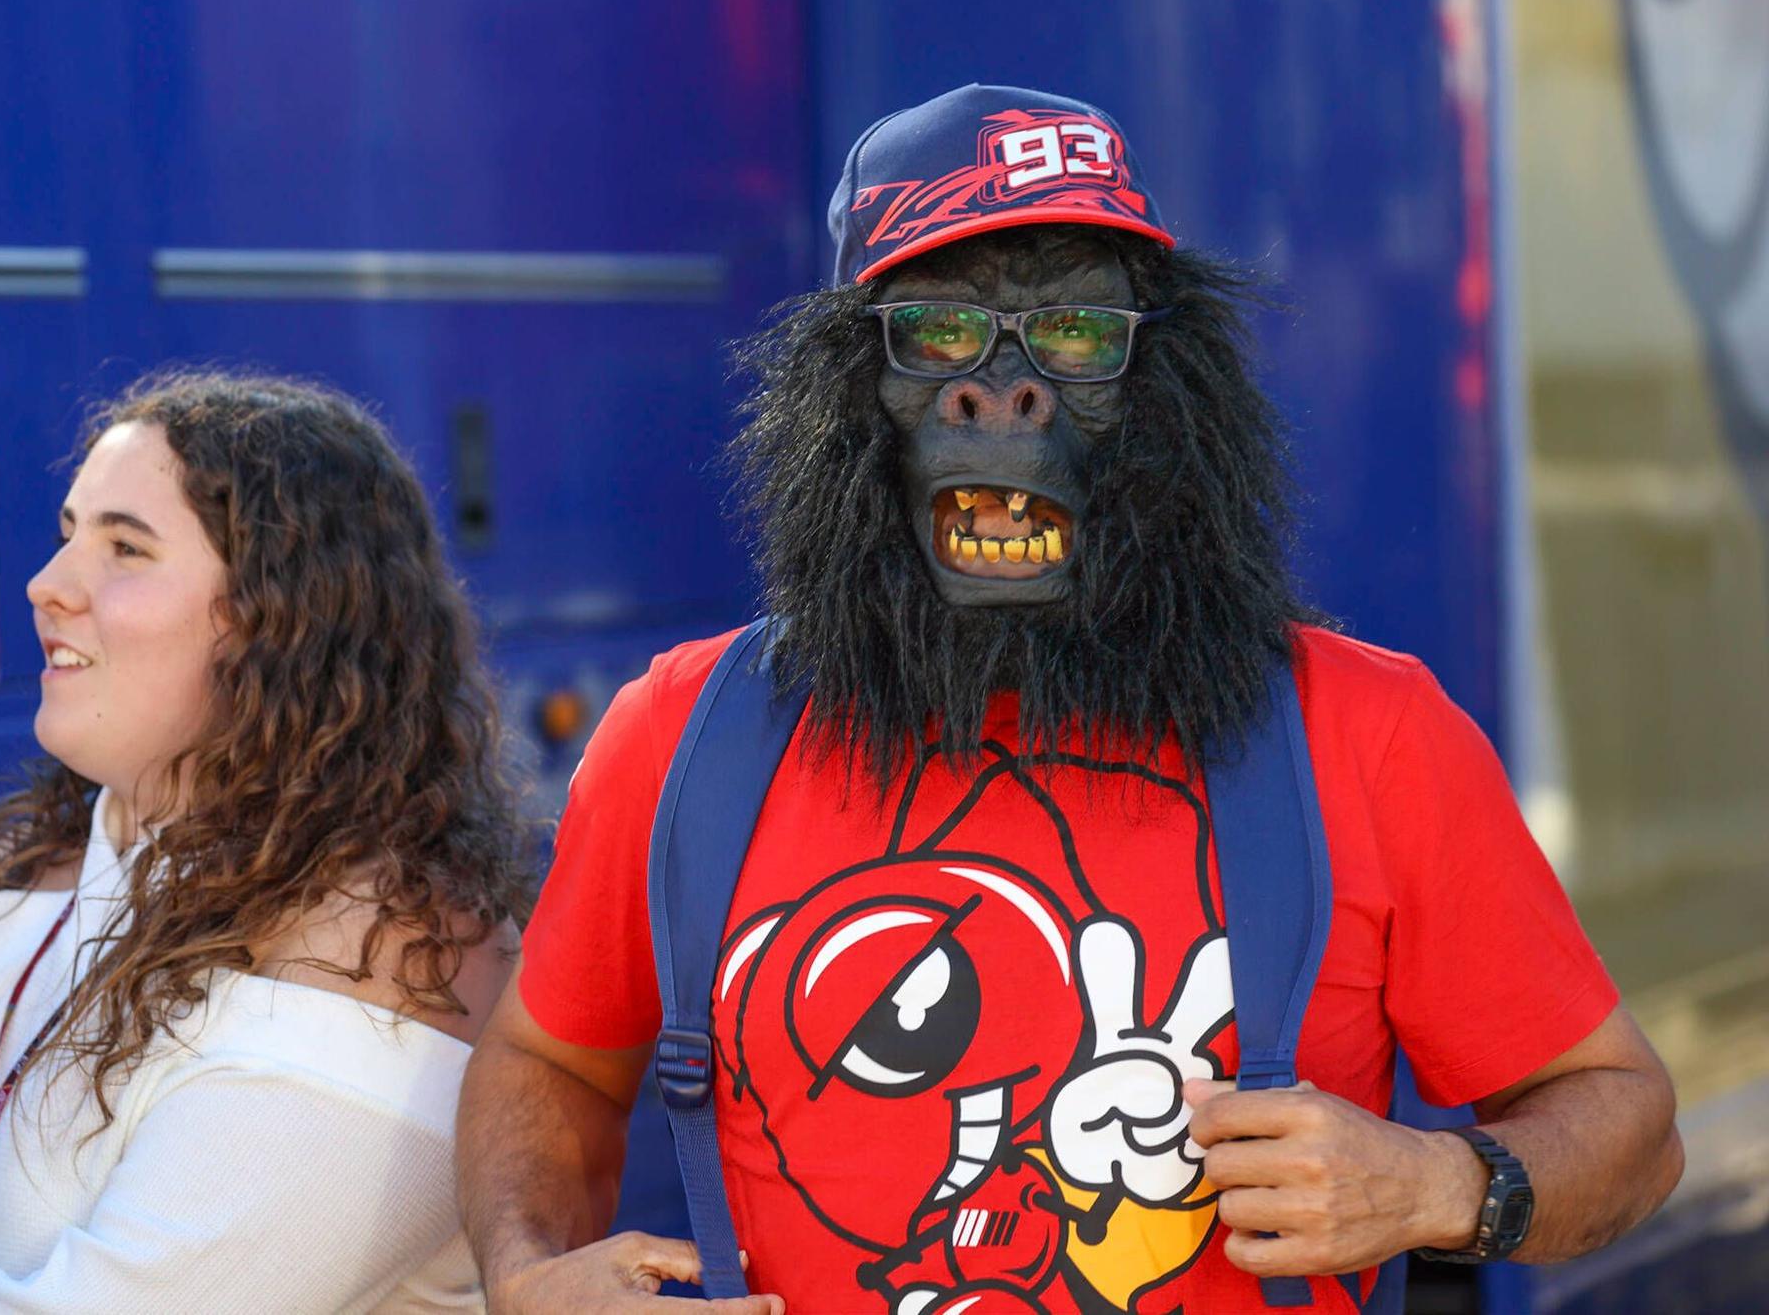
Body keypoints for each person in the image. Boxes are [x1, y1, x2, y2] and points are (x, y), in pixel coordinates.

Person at [455, 85, 1683, 1314]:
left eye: (1079, 335)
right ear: (839, 399)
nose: (1005, 390)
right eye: (935, 334)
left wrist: (1437, 1184)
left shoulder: (1367, 732)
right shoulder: (682, 736)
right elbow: (545, 1057)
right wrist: (525, 1268)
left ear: (1169, 396)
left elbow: (1626, 1114)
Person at [0, 371, 533, 1311]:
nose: (46, 587)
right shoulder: (19, 877)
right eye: (66, 536)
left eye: (125, 547)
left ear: (280, 619)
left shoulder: (394, 948)